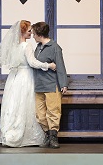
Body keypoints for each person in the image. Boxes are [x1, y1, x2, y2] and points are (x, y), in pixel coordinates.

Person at [0, 20, 56, 148]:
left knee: (15, 105)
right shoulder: (26, 46)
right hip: (25, 77)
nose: (31, 33)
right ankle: (25, 135)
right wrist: (48, 65)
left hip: (14, 78)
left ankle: (11, 134)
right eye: (29, 31)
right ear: (22, 32)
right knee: (26, 104)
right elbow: (32, 63)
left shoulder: (14, 46)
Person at [32, 21, 68, 149]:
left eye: (34, 34)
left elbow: (61, 66)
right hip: (39, 86)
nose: (33, 36)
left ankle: (53, 138)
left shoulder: (54, 47)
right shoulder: (38, 47)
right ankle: (47, 135)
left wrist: (63, 84)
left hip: (52, 85)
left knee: (53, 112)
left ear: (40, 34)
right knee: (40, 115)